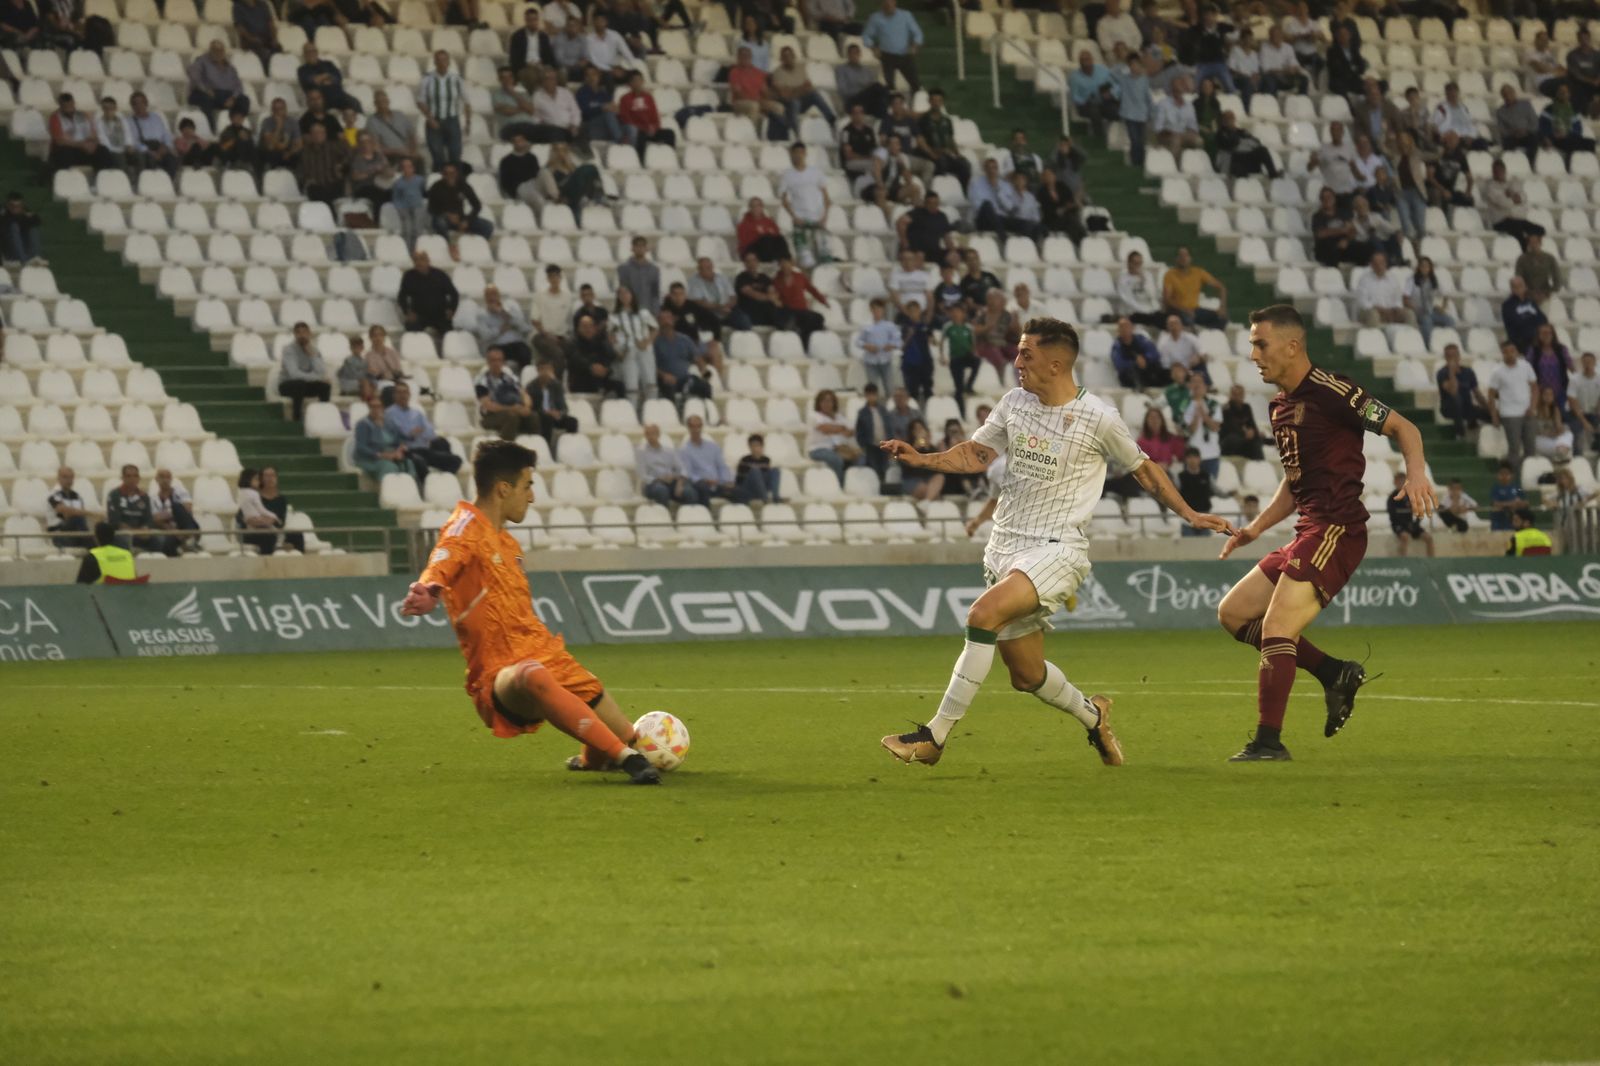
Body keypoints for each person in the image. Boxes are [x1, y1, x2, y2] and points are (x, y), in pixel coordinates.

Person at [879, 317, 1233, 769]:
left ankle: (934, 737)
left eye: (1027, 354)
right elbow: (976, 453)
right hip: (1004, 547)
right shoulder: (1014, 403)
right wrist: (921, 458)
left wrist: (1190, 514)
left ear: (1056, 363)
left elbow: (1142, 468)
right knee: (1026, 676)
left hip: (1058, 548)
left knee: (981, 616)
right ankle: (1094, 716)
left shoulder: (1098, 417)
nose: (1017, 361)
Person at [1215, 305, 1434, 762]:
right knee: (1234, 613)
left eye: (1261, 344)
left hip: (1338, 528)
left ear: (1292, 346)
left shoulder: (1336, 392)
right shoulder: (1279, 407)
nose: (1254, 355)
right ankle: (1334, 672)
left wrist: (1415, 474)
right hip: (1308, 529)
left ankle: (1268, 742)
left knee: (1276, 627)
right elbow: (1295, 484)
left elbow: (1402, 426)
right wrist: (1255, 528)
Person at [400, 440, 663, 783]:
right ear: (503, 488)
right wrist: (430, 589)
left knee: (626, 734)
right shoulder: (465, 525)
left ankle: (598, 757)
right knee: (532, 675)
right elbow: (445, 557)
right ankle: (627, 760)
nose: (532, 496)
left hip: (548, 655)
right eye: (528, 486)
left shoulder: (508, 544)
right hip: (499, 675)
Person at [387, 381, 462, 477]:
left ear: (409, 395)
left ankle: (442, 482)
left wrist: (417, 433)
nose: (403, 395)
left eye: (405, 392)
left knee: (455, 460)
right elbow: (403, 434)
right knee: (419, 462)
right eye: (399, 392)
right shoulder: (390, 414)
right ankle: (427, 486)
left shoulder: (417, 413)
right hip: (407, 452)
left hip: (424, 449)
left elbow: (430, 433)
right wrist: (414, 433)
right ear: (394, 395)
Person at [106, 463, 179, 557]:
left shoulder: (144, 496)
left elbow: (149, 519)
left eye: (135, 476)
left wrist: (145, 529)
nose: (132, 479)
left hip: (142, 533)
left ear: (139, 478)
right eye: (128, 476)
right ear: (123, 478)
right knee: (123, 539)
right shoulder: (114, 495)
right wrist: (135, 531)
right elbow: (115, 521)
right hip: (123, 533)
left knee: (160, 538)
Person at [779, 143, 831, 268]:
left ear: (805, 154)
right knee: (805, 259)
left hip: (818, 218)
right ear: (791, 154)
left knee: (825, 257)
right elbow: (784, 198)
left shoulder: (816, 172)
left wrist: (825, 216)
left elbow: (826, 196)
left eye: (800, 153)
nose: (798, 156)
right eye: (795, 153)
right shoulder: (787, 175)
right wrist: (794, 216)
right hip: (800, 219)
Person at [475, 346, 540, 440]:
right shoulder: (481, 381)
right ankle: (507, 447)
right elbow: (489, 406)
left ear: (503, 362)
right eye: (493, 360)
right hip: (491, 416)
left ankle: (533, 444)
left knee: (533, 416)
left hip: (514, 410)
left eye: (499, 360)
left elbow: (524, 394)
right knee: (511, 416)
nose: (496, 363)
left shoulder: (510, 378)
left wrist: (526, 407)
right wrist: (512, 408)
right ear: (488, 362)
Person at [418, 50, 468, 170]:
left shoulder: (456, 79)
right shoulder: (427, 79)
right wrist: (430, 119)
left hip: (452, 120)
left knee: (455, 155)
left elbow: (467, 101)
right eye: (439, 60)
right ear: (434, 62)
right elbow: (420, 101)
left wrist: (468, 121)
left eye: (444, 60)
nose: (442, 63)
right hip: (434, 120)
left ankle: (456, 183)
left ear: (449, 62)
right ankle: (438, 182)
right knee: (437, 156)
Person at [769, 45, 835, 134]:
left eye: (790, 56)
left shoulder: (801, 68)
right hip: (787, 105)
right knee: (794, 102)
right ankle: (795, 132)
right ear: (781, 59)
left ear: (794, 56)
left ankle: (831, 119)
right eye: (785, 56)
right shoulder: (777, 73)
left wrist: (793, 90)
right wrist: (800, 88)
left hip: (802, 101)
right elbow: (785, 95)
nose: (788, 58)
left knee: (814, 94)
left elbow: (809, 87)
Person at [1481, 158, 1544, 250]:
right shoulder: (1490, 187)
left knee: (1539, 229)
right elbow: (1503, 203)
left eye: (1501, 170)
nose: (1499, 173)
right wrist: (1514, 198)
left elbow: (1523, 197)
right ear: (1493, 172)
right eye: (1496, 171)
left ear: (1504, 171)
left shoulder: (1511, 183)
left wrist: (1511, 197)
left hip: (1516, 219)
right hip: (1500, 221)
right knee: (1518, 231)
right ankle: (1525, 252)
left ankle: (1533, 245)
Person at [861, 0, 921, 93]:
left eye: (890, 1)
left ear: (895, 2)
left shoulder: (906, 15)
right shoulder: (875, 18)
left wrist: (915, 45)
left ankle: (916, 105)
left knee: (916, 85)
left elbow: (918, 34)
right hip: (887, 56)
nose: (888, 4)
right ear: (881, 3)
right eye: (885, 2)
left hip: (905, 55)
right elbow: (866, 36)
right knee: (889, 86)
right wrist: (873, 48)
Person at [47, 94, 115, 174]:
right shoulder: (55, 117)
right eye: (65, 106)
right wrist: (82, 145)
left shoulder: (83, 115)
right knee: (64, 154)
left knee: (103, 151)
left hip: (83, 147)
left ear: (74, 103)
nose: (69, 109)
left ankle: (104, 179)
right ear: (60, 106)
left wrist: (93, 144)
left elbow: (94, 135)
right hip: (67, 148)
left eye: (70, 105)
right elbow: (59, 141)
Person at [1161, 246, 1226, 329]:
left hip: (1194, 310)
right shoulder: (1170, 275)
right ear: (1176, 259)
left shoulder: (1198, 272)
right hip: (1177, 310)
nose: (1183, 258)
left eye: (1186, 255)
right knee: (1187, 319)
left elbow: (1221, 287)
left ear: (1190, 258)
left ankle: (1209, 337)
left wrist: (1222, 307)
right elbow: (1167, 299)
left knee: (1221, 318)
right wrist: (1184, 310)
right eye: (1180, 256)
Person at [277, 322, 330, 420]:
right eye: (299, 333)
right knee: (299, 384)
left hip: (305, 384)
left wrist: (312, 356)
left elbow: (321, 371)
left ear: (309, 333)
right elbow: (294, 374)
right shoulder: (288, 350)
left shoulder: (314, 350)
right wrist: (318, 378)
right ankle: (297, 419)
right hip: (287, 385)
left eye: (304, 332)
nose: (302, 336)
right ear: (295, 334)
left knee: (325, 387)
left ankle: (324, 417)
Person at [398, 250, 459, 335]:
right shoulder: (409, 276)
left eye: (422, 259)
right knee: (412, 329)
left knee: (449, 333)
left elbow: (454, 294)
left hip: (439, 314)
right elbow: (402, 297)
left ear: (428, 260)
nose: (419, 262)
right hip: (419, 315)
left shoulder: (440, 275)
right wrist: (407, 312)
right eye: (416, 260)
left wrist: (451, 309)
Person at [679, 415, 737, 502]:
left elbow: (722, 466)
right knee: (702, 487)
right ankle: (705, 513)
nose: (696, 429)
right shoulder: (685, 450)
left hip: (717, 484)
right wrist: (705, 480)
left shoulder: (713, 447)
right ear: (689, 428)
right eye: (693, 426)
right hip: (701, 485)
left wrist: (727, 480)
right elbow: (689, 474)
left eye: (699, 426)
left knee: (739, 491)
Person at [1435, 344, 1487, 440]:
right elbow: (1453, 391)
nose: (1452, 359)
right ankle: (1460, 434)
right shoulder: (1442, 373)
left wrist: (1489, 408)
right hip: (1449, 408)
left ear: (1459, 356)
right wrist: (1451, 372)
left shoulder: (1468, 372)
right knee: (1456, 399)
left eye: (1454, 355)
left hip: (1467, 407)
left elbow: (1477, 393)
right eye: (1449, 356)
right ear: (1445, 358)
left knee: (1488, 413)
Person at [637, 422, 696, 505]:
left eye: (653, 433)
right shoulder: (641, 453)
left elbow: (682, 469)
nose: (650, 436)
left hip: (671, 482)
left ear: (658, 434)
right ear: (645, 435)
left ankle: (690, 515)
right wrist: (660, 479)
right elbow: (643, 475)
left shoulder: (669, 451)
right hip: (653, 484)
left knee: (688, 492)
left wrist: (679, 483)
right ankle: (665, 516)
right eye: (648, 434)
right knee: (662, 490)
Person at [807, 389, 859, 483]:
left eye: (829, 401)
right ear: (818, 403)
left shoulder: (839, 417)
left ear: (834, 403)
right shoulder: (814, 416)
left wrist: (842, 429)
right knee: (836, 459)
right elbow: (825, 429)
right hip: (818, 449)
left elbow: (851, 431)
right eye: (823, 401)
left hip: (837, 448)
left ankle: (852, 484)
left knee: (860, 457)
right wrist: (842, 429)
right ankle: (840, 485)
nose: (826, 404)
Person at [187, 41, 250, 115]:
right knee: (205, 100)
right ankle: (210, 126)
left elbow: (239, 86)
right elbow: (194, 76)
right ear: (210, 50)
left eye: (221, 50)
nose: (218, 53)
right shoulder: (202, 61)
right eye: (215, 50)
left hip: (226, 96)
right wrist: (205, 89)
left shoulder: (230, 67)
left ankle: (235, 125)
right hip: (207, 93)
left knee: (244, 100)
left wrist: (233, 98)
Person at [1403, 256, 1452, 350]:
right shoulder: (1411, 280)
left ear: (1430, 268)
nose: (1425, 268)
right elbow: (1405, 299)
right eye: (1422, 266)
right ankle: (1427, 346)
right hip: (1418, 310)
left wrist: (1442, 307)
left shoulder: (1434, 280)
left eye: (1427, 266)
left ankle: (1444, 343)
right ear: (1419, 267)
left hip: (1431, 310)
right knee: (1427, 321)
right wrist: (1415, 308)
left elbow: (1445, 294)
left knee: (1450, 321)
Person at [1354, 251, 1412, 327]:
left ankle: (1411, 337)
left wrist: (1395, 309)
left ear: (1386, 264)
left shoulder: (1393, 278)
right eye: (1376, 263)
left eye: (1382, 262)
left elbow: (1397, 300)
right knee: (1373, 314)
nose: (1379, 266)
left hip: (1390, 312)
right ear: (1372, 265)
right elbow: (1363, 303)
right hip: (1370, 312)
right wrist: (1379, 309)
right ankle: (1376, 338)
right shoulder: (1364, 280)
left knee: (1409, 314)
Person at [856, 298, 900, 397]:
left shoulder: (890, 326)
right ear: (871, 310)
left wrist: (891, 345)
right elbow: (858, 341)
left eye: (879, 309)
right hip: (870, 361)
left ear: (883, 310)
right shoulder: (866, 326)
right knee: (872, 388)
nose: (877, 312)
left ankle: (890, 408)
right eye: (874, 309)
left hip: (886, 360)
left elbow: (898, 341)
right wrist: (867, 346)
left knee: (889, 387)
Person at [236, 467, 286, 553]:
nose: (270, 479)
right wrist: (251, 521)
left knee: (296, 535)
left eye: (273, 475)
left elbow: (280, 521)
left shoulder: (281, 500)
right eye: (266, 476)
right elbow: (240, 517)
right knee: (267, 537)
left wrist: (270, 520)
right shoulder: (251, 495)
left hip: (271, 529)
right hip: (254, 531)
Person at [1385, 469, 1434, 557]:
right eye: (1399, 481)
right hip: (1398, 525)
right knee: (1405, 537)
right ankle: (1403, 563)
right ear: (1395, 482)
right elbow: (1393, 516)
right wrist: (1406, 525)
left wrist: (1416, 523)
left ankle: (1432, 562)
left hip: (1412, 524)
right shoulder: (1392, 498)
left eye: (1403, 481)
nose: (1401, 483)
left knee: (1429, 538)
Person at [618, 69, 673, 147]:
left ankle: (669, 155)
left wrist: (654, 128)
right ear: (630, 83)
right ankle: (641, 158)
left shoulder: (648, 97)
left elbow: (655, 117)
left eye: (639, 80)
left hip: (650, 130)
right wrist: (644, 128)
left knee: (669, 134)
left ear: (643, 81)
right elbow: (626, 119)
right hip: (639, 131)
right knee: (640, 136)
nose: (638, 83)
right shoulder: (625, 99)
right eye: (635, 81)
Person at [528, 360, 578, 442]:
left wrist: (559, 413)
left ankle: (568, 445)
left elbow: (563, 407)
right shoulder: (531, 387)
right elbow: (532, 408)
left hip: (555, 415)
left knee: (572, 421)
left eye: (548, 369)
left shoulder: (556, 385)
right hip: (541, 416)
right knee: (547, 419)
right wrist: (547, 412)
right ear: (538, 370)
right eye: (543, 369)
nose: (546, 372)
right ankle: (546, 446)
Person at [151, 468, 200, 552]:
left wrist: (168, 513)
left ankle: (188, 537)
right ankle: (186, 541)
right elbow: (155, 518)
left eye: (168, 477)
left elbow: (187, 509)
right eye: (162, 477)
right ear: (157, 479)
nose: (165, 480)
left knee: (177, 507)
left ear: (171, 479)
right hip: (167, 528)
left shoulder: (180, 491)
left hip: (183, 524)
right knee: (157, 523)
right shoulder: (153, 498)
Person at [836, 42, 888, 118]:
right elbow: (843, 91)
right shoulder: (841, 70)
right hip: (852, 101)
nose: (854, 55)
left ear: (860, 54)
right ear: (848, 55)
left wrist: (865, 88)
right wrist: (863, 89)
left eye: (856, 53)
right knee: (877, 87)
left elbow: (872, 87)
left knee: (883, 95)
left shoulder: (867, 71)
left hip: (867, 101)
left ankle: (883, 122)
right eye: (852, 53)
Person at [1111, 316, 1164, 389]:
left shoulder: (1141, 340)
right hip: (1130, 377)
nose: (1125, 329)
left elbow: (1154, 353)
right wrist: (1136, 362)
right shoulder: (1117, 346)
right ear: (1118, 330)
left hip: (1146, 370)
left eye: (1127, 326)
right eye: (1122, 327)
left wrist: (1145, 359)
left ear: (1132, 328)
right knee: (1131, 370)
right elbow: (1119, 364)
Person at [1116, 251, 1165, 330]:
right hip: (1133, 312)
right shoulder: (1123, 279)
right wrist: (1144, 310)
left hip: (1149, 311)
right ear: (1129, 263)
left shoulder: (1147, 275)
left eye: (1140, 263)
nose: (1138, 266)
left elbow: (1152, 295)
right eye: (1135, 263)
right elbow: (1128, 300)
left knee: (1167, 318)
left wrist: (1144, 282)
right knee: (1158, 320)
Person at [47, 466, 92, 548]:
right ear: (58, 478)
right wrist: (94, 514)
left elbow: (82, 515)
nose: (68, 480)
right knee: (76, 518)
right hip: (59, 534)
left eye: (71, 477)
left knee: (101, 529)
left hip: (76, 534)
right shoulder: (53, 494)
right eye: (65, 477)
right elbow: (67, 513)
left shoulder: (77, 496)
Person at [737, 197, 790, 262]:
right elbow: (745, 243)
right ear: (750, 208)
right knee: (766, 238)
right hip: (753, 250)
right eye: (753, 206)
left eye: (758, 206)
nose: (756, 208)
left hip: (769, 250)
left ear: (762, 207)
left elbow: (777, 235)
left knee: (780, 239)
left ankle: (787, 262)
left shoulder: (769, 222)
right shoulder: (744, 224)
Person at [1514, 234, 1562, 306]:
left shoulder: (1549, 258)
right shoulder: (1522, 259)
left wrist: (1548, 293)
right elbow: (1518, 278)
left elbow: (1557, 278)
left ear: (1540, 243)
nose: (1533, 245)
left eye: (1536, 242)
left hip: (1545, 295)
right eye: (1531, 243)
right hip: (1527, 296)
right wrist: (1527, 293)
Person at [1219, 384, 1263, 460]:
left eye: (1240, 394)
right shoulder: (1225, 409)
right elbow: (1229, 428)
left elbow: (1252, 425)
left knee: (1256, 441)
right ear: (1230, 395)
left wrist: (1253, 432)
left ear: (1243, 395)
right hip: (1228, 442)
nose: (1237, 397)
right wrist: (1245, 433)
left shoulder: (1246, 408)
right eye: (1234, 394)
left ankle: (1260, 466)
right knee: (1233, 438)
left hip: (1242, 441)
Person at [1531, 385, 1574, 461]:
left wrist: (1558, 432)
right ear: (1541, 396)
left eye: (1551, 394)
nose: (1548, 396)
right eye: (1546, 394)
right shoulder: (1535, 410)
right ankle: (1561, 454)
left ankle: (1561, 453)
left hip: (1553, 439)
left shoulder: (1555, 409)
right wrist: (1548, 434)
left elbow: (1559, 427)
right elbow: (1534, 430)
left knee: (1568, 434)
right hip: (1541, 439)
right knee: (1561, 445)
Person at [1569, 350, 1600, 456]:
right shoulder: (1574, 379)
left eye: (1590, 362)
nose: (1588, 365)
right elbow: (1572, 401)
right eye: (1585, 362)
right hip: (1577, 413)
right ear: (1582, 363)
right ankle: (1578, 460)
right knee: (1578, 436)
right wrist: (1584, 422)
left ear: (1595, 363)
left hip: (1594, 413)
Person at [737, 434, 782, 503]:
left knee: (775, 470)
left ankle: (775, 497)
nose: (755, 448)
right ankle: (765, 499)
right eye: (752, 446)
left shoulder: (766, 460)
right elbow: (740, 481)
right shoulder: (745, 460)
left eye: (757, 445)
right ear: (749, 447)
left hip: (761, 488)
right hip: (748, 489)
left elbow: (766, 477)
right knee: (755, 471)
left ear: (762, 446)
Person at [0, 192, 42, 266]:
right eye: (13, 206)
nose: (15, 208)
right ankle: (24, 260)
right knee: (14, 227)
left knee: (33, 228)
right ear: (8, 205)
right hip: (10, 250)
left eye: (18, 206)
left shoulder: (25, 211)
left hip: (25, 247)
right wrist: (22, 218)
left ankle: (36, 257)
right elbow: (6, 224)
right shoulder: (3, 213)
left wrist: (26, 217)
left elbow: (37, 221)